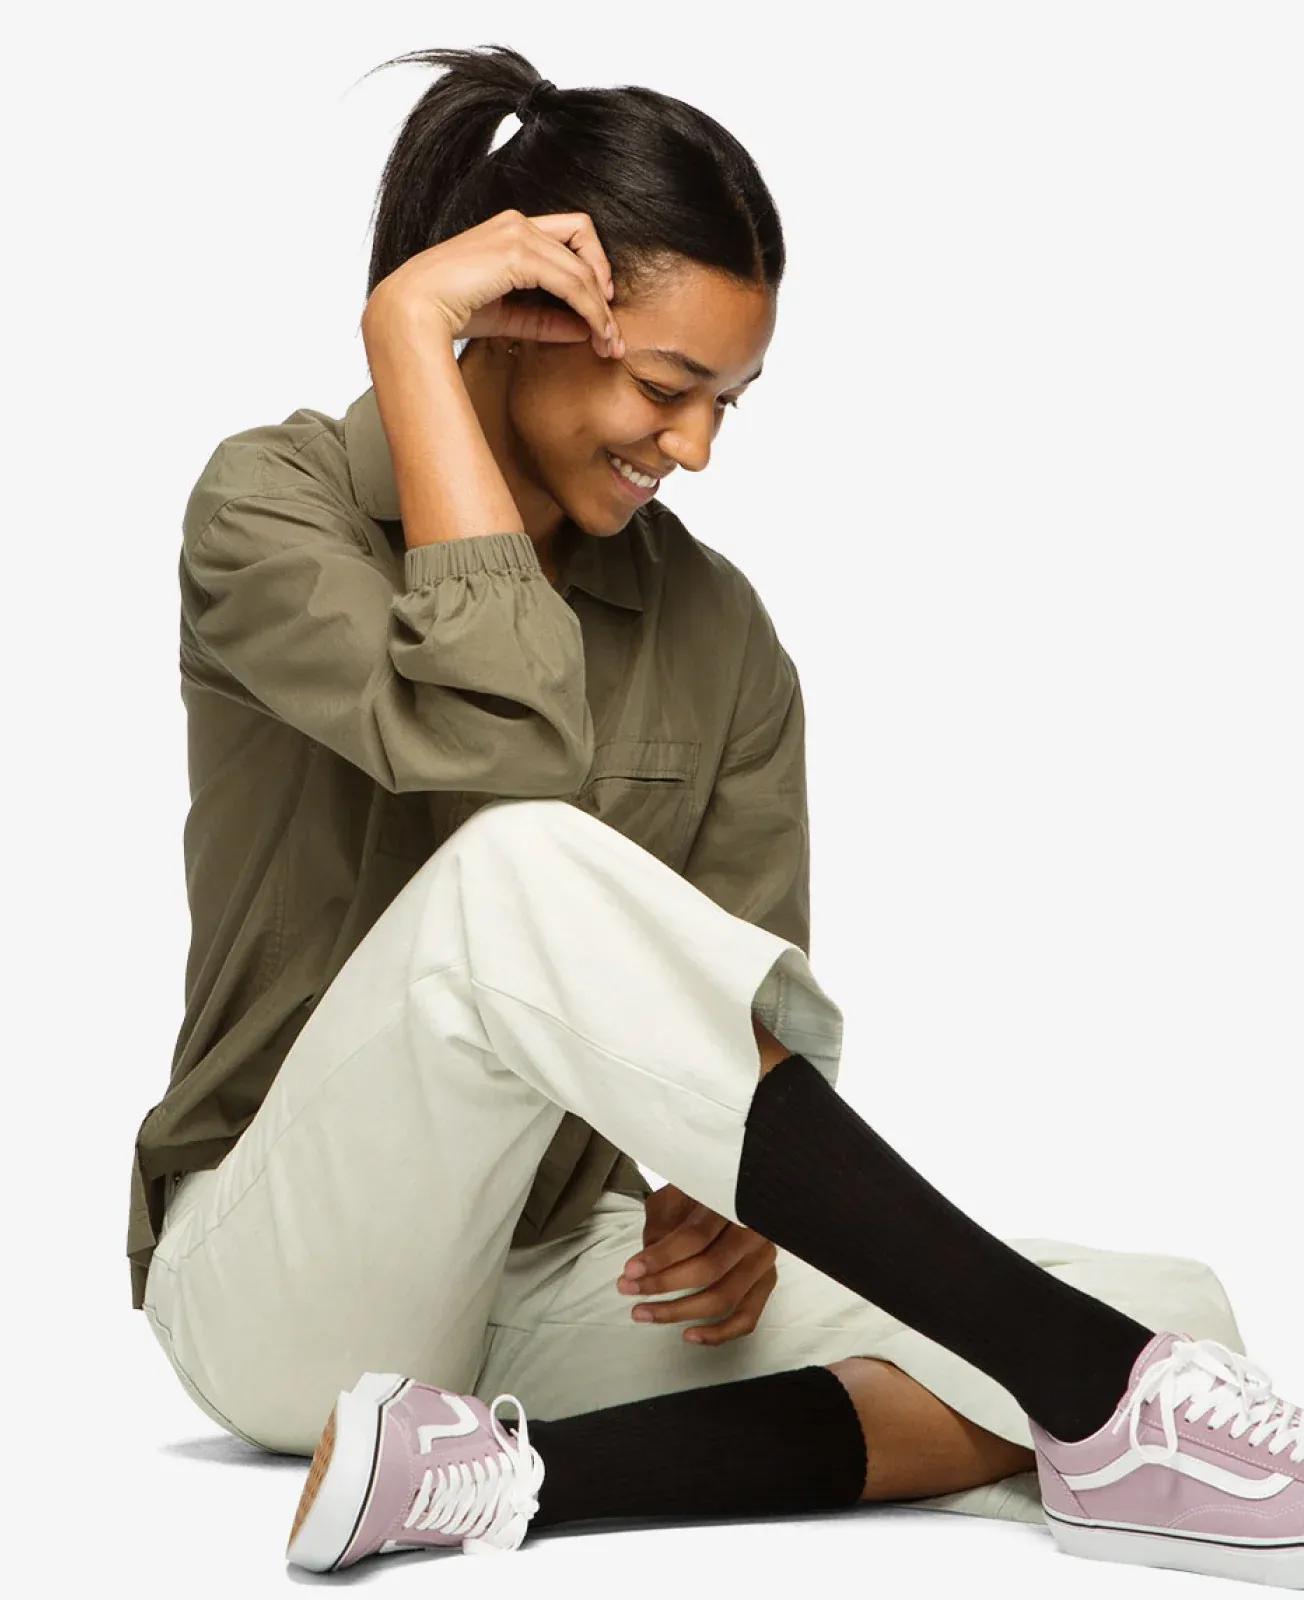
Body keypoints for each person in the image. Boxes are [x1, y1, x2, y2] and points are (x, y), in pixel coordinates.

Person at [129, 43, 1302, 1586]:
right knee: (523, 861)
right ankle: (1099, 1398)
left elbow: (724, 1018)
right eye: (665, 387)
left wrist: (719, 1208)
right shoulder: (269, 511)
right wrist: (407, 324)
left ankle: (491, 1480)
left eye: (725, 402)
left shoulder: (720, 632)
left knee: (1180, 1305)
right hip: (280, 1279)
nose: (693, 448)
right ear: (512, 316)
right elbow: (494, 735)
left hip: (552, 1277)